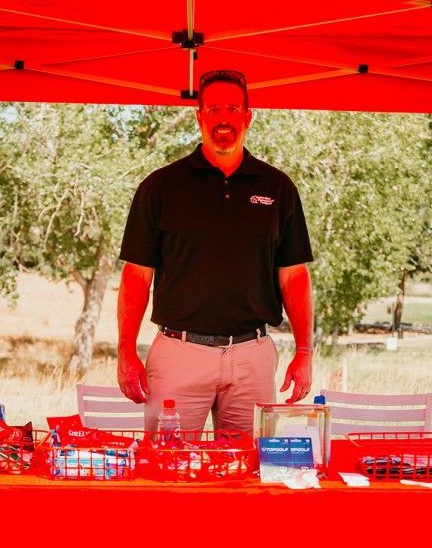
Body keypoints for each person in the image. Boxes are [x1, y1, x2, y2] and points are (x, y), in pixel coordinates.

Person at [117, 69, 313, 435]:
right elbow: (136, 276)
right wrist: (126, 351)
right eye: (214, 110)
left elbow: (295, 276)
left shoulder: (278, 188)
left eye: (233, 110)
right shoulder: (159, 187)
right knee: (166, 470)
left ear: (248, 117)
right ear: (200, 117)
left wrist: (304, 352)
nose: (224, 120)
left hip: (252, 357)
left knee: (248, 475)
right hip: (179, 354)